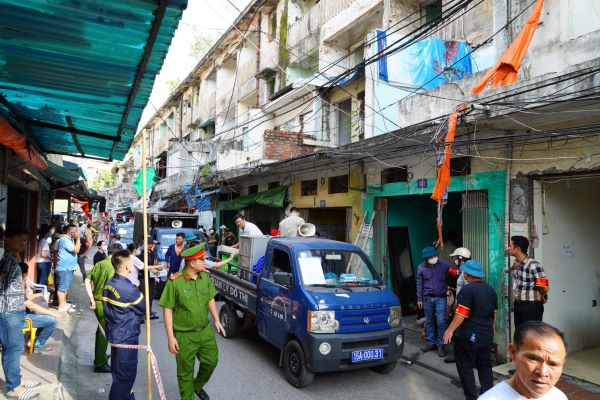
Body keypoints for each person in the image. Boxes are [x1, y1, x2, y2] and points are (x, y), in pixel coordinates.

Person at [159, 243, 226, 400]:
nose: (205, 262)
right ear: (193, 263)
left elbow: (210, 298)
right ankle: (188, 396)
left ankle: (196, 385)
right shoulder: (175, 282)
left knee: (211, 362)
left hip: (205, 331)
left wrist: (217, 320)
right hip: (184, 335)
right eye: (202, 259)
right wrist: (170, 337)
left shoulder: (205, 277)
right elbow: (167, 309)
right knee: (185, 372)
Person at [443, 260, 497, 400]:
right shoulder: (490, 289)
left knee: (465, 365)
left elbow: (461, 313)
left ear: (467, 274)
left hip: (469, 335)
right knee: (485, 365)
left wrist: (450, 329)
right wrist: (492, 327)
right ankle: (487, 396)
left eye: (464, 272)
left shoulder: (467, 289)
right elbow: (494, 312)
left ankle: (471, 397)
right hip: (486, 334)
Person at [478, 321, 568, 400]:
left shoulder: (558, 396)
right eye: (534, 359)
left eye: (553, 364)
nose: (542, 372)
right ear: (513, 353)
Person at [1, 225, 41, 399]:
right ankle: (13, 388)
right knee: (13, 348)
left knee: (16, 348)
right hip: (8, 311)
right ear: (7, 239)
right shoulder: (5, 260)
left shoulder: (11, 257)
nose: (23, 243)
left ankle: (17, 379)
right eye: (19, 239)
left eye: (25, 240)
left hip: (16, 310)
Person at [102, 249, 146, 400]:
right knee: (125, 377)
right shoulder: (128, 289)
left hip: (115, 333)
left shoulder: (109, 283)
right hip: (126, 336)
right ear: (128, 266)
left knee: (119, 373)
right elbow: (143, 308)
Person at [84, 243, 124, 373]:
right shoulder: (113, 267)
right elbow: (113, 289)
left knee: (101, 332)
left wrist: (91, 297)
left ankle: (100, 356)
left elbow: (87, 280)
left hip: (97, 301)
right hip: (106, 303)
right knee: (104, 334)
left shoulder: (100, 263)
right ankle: (100, 364)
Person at [416, 246, 451, 357]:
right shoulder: (421, 267)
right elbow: (419, 284)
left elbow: (453, 274)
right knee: (429, 321)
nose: (433, 258)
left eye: (434, 256)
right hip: (427, 298)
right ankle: (430, 343)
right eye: (430, 257)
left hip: (441, 298)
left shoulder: (444, 265)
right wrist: (419, 299)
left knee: (441, 321)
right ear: (426, 258)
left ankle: (441, 345)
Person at [19, 262, 61, 352]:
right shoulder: (14, 287)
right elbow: (30, 305)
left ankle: (32, 339)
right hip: (19, 320)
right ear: (23, 275)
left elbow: (25, 300)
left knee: (40, 312)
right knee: (52, 321)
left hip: (14, 317)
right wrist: (52, 313)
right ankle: (37, 345)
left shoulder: (8, 284)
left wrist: (34, 296)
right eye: (26, 275)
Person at [509, 235, 548, 328]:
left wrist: (541, 295)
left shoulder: (534, 265)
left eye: (510, 245)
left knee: (532, 333)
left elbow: (545, 288)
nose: (508, 248)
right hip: (518, 305)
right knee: (520, 333)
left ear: (517, 248)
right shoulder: (516, 264)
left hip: (531, 307)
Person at [55, 224, 81, 312]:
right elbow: (76, 250)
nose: (77, 233)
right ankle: (61, 305)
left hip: (69, 267)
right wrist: (78, 239)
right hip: (64, 267)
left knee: (66, 287)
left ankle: (64, 303)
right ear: (70, 231)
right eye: (76, 231)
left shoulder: (69, 240)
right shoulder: (65, 240)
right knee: (62, 287)